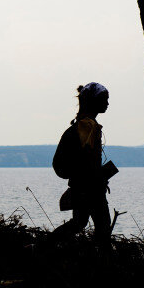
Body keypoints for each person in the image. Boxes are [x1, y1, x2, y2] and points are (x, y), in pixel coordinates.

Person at [50, 82, 112, 246]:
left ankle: (44, 246)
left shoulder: (84, 123)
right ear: (93, 101)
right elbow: (88, 158)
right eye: (104, 99)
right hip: (89, 188)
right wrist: (98, 180)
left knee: (78, 223)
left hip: (81, 186)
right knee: (103, 228)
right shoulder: (88, 125)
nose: (107, 103)